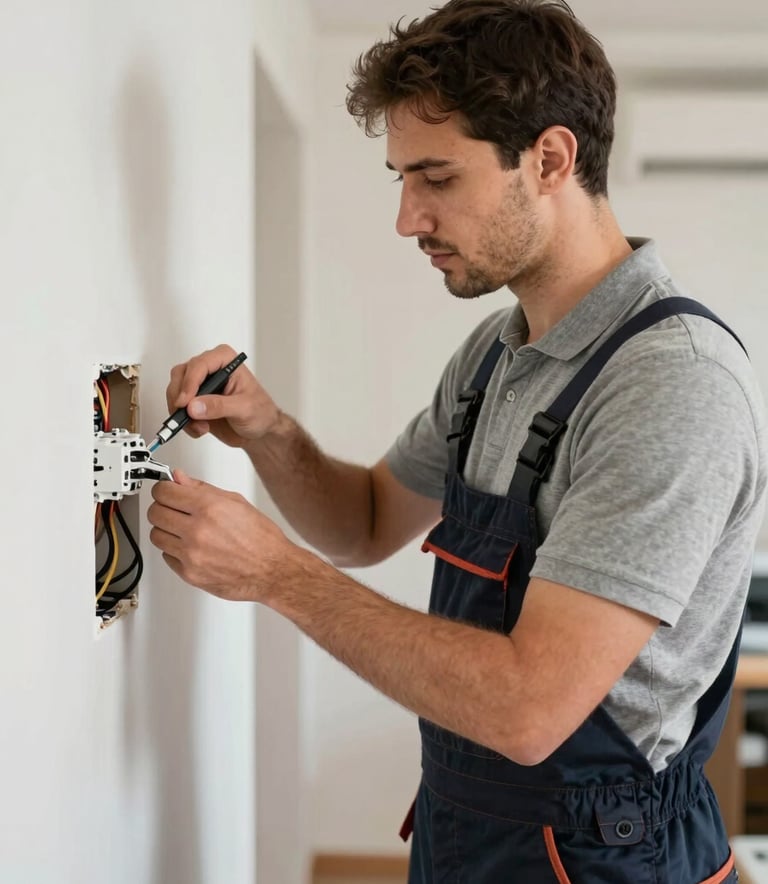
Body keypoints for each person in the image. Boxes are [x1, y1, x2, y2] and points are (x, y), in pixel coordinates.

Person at [147, 0, 767, 880]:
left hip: (600, 859)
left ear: (550, 158)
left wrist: (276, 577)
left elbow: (528, 708)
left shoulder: (671, 384)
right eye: (402, 179)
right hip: (469, 832)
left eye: (437, 179)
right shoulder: (497, 352)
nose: (408, 219)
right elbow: (362, 522)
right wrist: (268, 431)